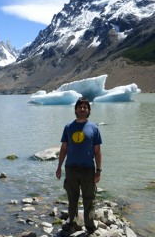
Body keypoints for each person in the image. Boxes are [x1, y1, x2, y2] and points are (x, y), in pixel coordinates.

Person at [55, 97, 102, 235]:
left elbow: (97, 151)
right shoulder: (68, 127)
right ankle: (72, 223)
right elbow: (64, 148)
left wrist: (98, 170)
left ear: (89, 110)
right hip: (71, 169)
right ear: (75, 109)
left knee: (89, 199)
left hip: (88, 169)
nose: (82, 109)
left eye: (85, 107)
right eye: (80, 107)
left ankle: (90, 227)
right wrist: (59, 167)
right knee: (72, 197)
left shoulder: (94, 128)